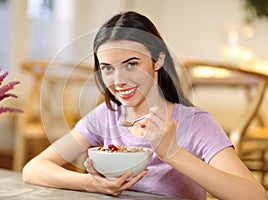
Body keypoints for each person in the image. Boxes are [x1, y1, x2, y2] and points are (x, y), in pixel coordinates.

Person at [22, 11, 267, 200]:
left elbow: (254, 195)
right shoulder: (106, 117)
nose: (118, 82)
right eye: (107, 68)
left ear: (158, 59)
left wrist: (172, 153)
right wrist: (93, 184)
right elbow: (34, 169)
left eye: (131, 64)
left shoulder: (195, 123)